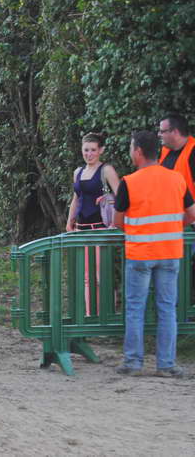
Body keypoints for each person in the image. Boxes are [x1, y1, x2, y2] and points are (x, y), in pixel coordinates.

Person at [113, 130, 195, 378]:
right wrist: (172, 228)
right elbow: (191, 215)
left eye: (131, 148)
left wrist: (138, 231)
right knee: (167, 308)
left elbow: (118, 221)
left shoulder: (129, 182)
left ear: (138, 152)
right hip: (170, 251)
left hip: (140, 253)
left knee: (135, 308)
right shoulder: (177, 179)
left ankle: (133, 362)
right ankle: (166, 365)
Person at [65, 133, 120, 316]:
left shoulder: (106, 170)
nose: (89, 154)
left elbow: (121, 196)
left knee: (101, 275)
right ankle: (91, 316)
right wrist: (69, 221)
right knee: (87, 277)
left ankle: (107, 316)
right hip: (81, 228)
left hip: (100, 228)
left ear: (101, 150)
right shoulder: (77, 172)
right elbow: (76, 199)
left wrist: (114, 218)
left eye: (93, 150)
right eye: (86, 150)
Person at [159, 114, 195, 196]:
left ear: (175, 132)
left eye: (162, 131)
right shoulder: (165, 150)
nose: (159, 134)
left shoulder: (193, 151)